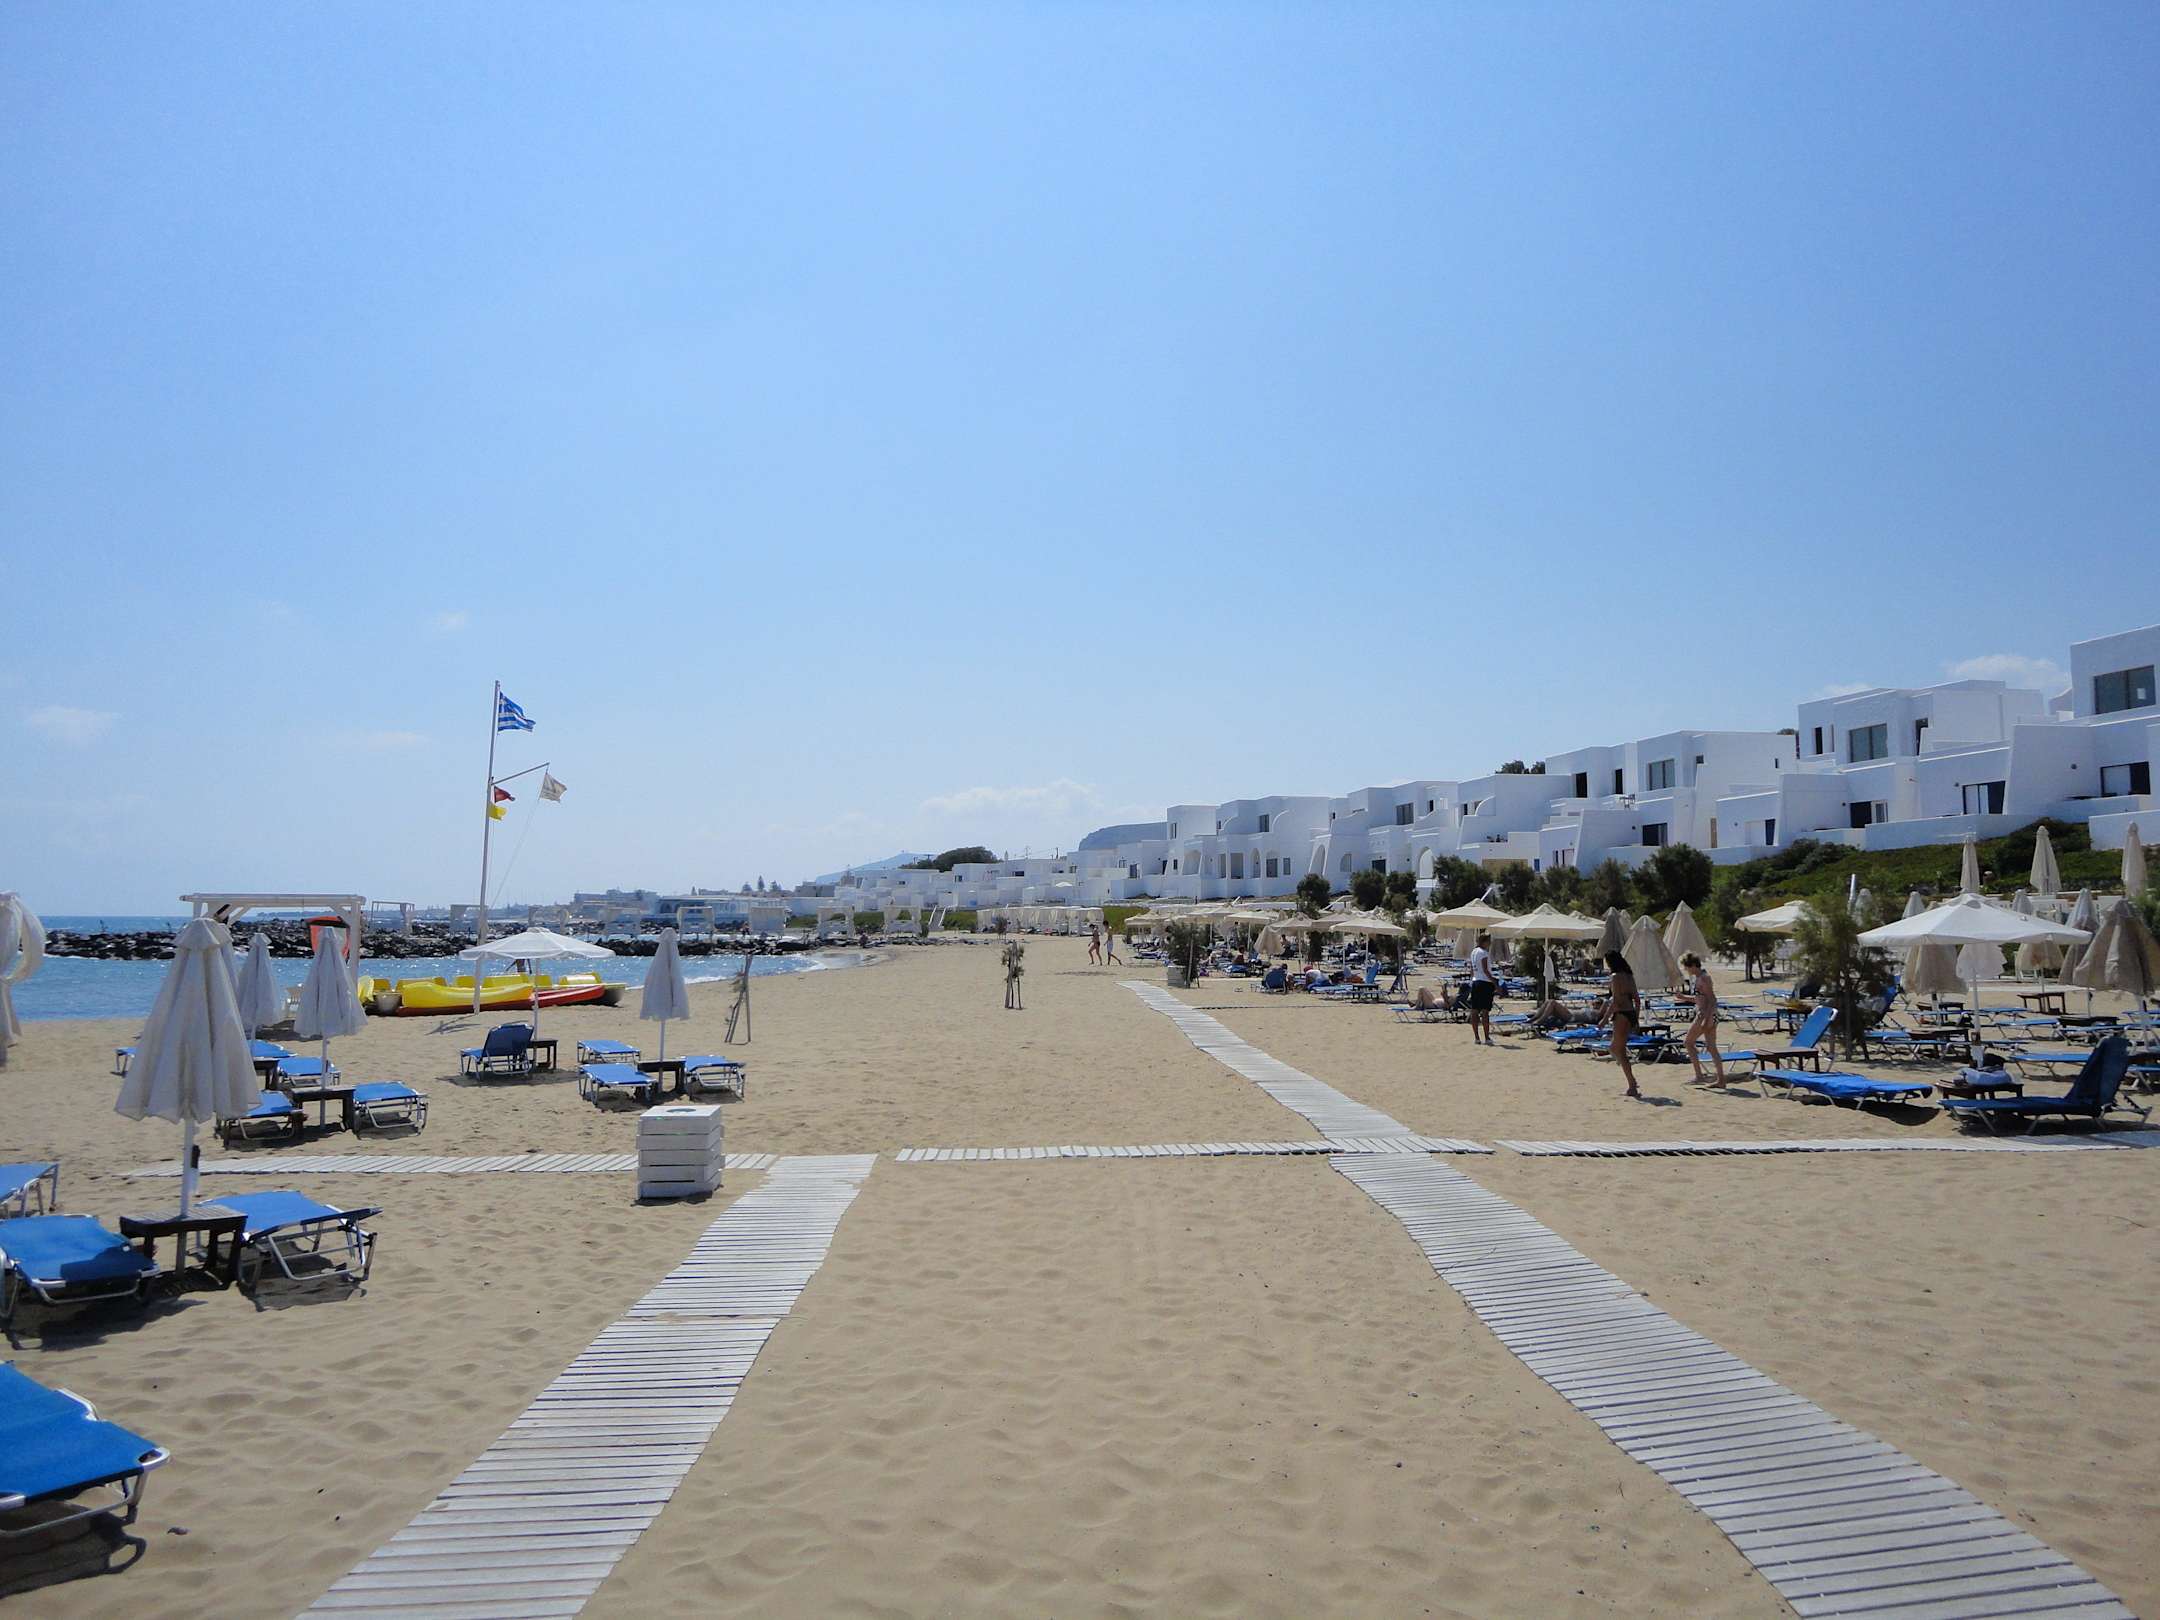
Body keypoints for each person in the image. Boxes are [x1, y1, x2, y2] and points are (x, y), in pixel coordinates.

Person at [1597, 948, 1642, 1098]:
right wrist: (1636, 1018)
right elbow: (1637, 1000)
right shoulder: (1629, 976)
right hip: (1630, 1013)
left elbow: (1615, 1002)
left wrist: (1604, 1020)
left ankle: (1632, 1084)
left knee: (1619, 1050)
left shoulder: (1615, 977)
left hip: (1621, 1014)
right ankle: (1631, 1081)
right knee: (1615, 1048)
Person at [1679, 950, 1725, 1087]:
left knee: (1688, 1042)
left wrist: (1705, 1018)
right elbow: (1700, 998)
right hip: (1709, 1014)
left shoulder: (1703, 978)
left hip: (1705, 1015)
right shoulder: (1701, 977)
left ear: (1693, 965)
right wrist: (1684, 997)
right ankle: (1720, 1080)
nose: (1686, 970)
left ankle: (1699, 1075)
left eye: (1687, 967)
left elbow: (1711, 999)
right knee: (1711, 1047)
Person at [1465, 932, 1498, 1046]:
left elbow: (1472, 970)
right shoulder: (1483, 953)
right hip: (1484, 983)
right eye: (1488, 941)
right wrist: (1494, 982)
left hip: (1475, 982)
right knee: (1485, 1011)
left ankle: (1477, 1037)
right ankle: (1487, 1037)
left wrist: (1472, 980)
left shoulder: (1473, 952)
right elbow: (1485, 969)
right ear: (1484, 942)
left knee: (1474, 1010)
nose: (1490, 944)